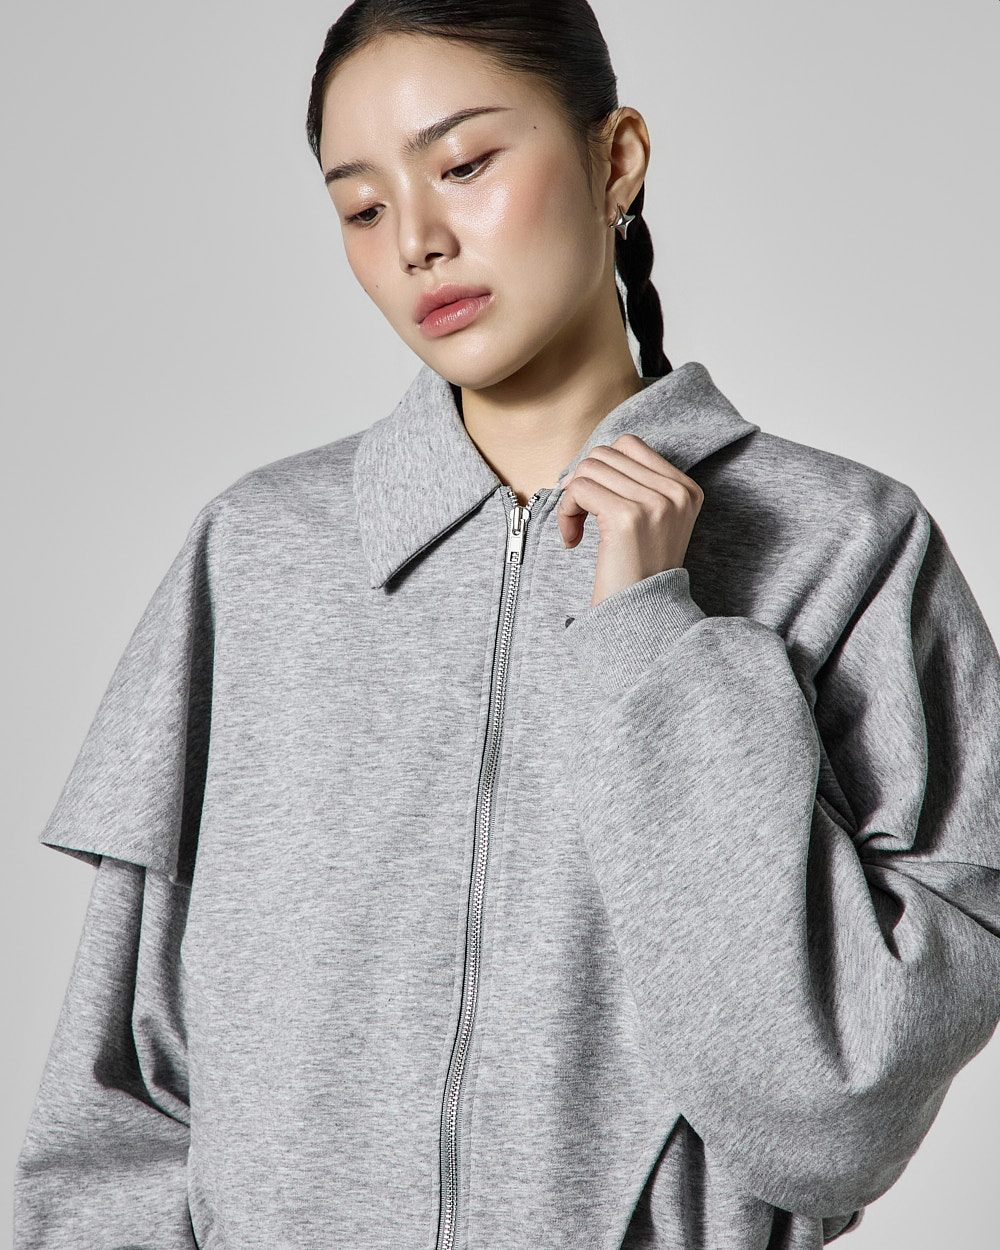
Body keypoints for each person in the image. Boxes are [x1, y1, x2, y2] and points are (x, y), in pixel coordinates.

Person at [14, 1, 1000, 1247]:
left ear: (616, 158)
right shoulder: (257, 553)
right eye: (361, 207)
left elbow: (835, 1117)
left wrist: (655, 640)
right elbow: (115, 1108)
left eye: (466, 164)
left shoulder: (846, 546)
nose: (416, 240)